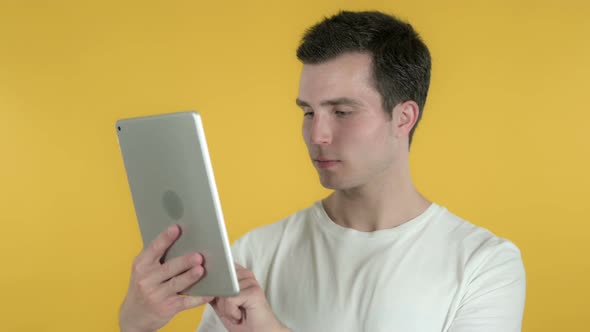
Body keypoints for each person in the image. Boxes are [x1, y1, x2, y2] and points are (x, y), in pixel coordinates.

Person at [119, 10, 526, 332]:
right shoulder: (253, 256)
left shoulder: (484, 265)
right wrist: (135, 326)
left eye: (342, 111)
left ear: (403, 117)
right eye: (308, 112)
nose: (318, 134)